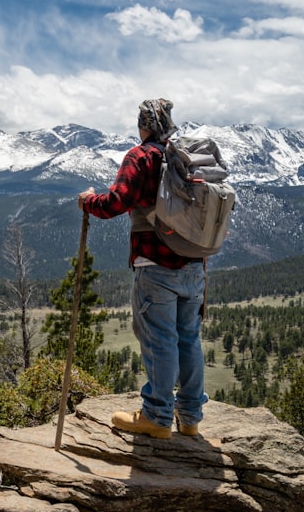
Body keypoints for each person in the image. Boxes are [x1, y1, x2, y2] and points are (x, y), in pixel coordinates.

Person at [77, 98, 207, 439]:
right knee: (189, 339)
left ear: (144, 125)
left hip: (156, 265)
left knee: (161, 339)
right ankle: (190, 418)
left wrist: (88, 201)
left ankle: (157, 417)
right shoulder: (187, 158)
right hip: (194, 265)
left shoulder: (142, 156)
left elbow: (116, 202)